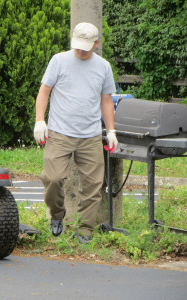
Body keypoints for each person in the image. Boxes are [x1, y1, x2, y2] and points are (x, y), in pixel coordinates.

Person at [33, 22, 118, 244]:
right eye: (77, 46)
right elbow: (44, 92)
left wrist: (111, 130)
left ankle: (85, 231)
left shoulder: (103, 67)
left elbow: (106, 100)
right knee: (52, 179)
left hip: (90, 136)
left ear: (96, 44)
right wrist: (40, 120)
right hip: (59, 133)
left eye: (86, 47)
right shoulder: (59, 60)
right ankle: (57, 215)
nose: (80, 51)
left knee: (93, 186)